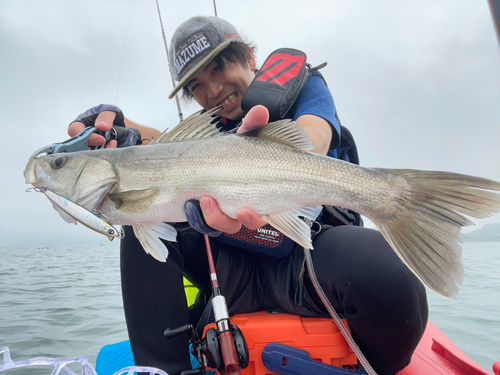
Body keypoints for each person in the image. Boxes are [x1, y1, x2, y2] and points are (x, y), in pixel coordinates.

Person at [68, 16, 428, 375]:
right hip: (228, 272)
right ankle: (163, 369)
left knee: (387, 274)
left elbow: (314, 137)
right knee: (138, 215)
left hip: (306, 263)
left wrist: (266, 162)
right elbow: (160, 143)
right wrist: (117, 123)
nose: (212, 90)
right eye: (196, 85)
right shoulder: (206, 131)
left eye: (219, 66)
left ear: (250, 57)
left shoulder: (303, 86)